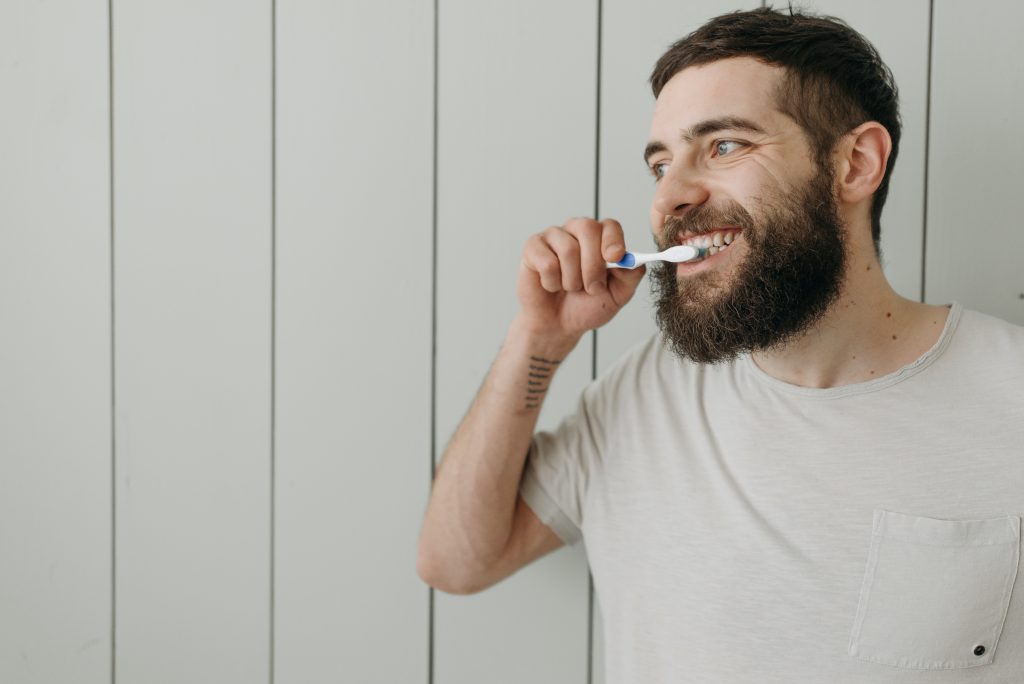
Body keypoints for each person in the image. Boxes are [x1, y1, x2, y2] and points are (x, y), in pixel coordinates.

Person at [417, 7, 1024, 681]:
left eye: (725, 146)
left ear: (855, 164)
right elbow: (456, 561)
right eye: (660, 164)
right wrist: (540, 337)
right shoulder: (645, 393)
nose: (670, 196)